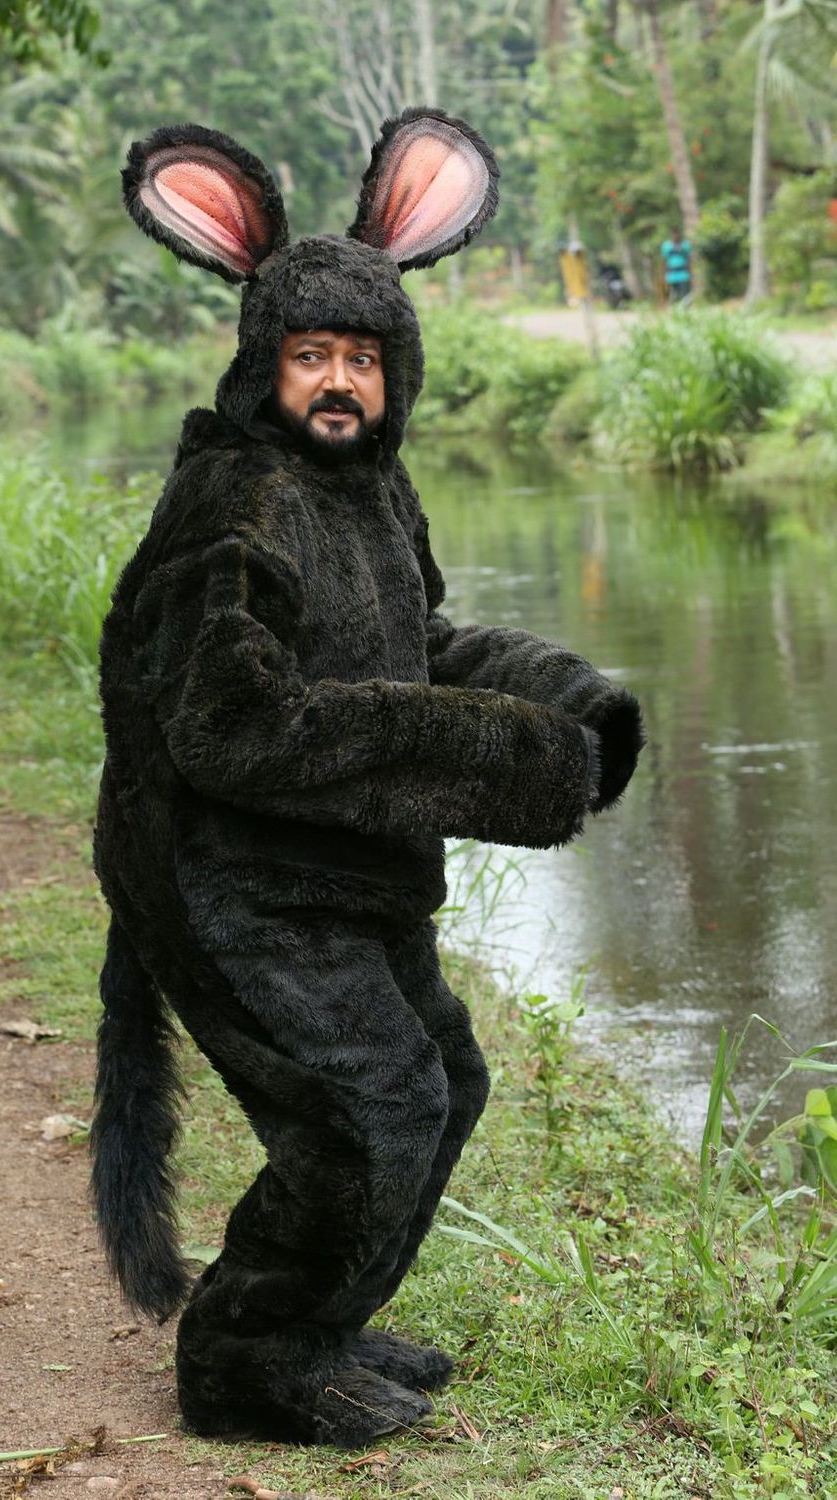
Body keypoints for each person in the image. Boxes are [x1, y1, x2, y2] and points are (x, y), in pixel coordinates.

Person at [91, 109, 645, 1448]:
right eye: (310, 356)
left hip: (346, 873)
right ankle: (244, 1361)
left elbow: (419, 643)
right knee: (368, 1110)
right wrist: (506, 759)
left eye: (361, 357)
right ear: (263, 360)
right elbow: (237, 727)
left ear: (397, 368)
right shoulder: (235, 501)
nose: (337, 382)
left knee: (442, 1079)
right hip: (227, 880)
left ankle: (319, 1325)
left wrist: (570, 700)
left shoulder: (371, 494)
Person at [660, 228, 692, 303]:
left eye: (676, 234)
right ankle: (673, 306)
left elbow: (689, 259)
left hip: (683, 273)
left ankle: (686, 306)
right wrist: (664, 273)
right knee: (673, 294)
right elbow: (664, 260)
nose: (675, 236)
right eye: (673, 234)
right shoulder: (666, 246)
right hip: (671, 273)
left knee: (685, 293)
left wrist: (690, 272)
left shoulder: (685, 245)